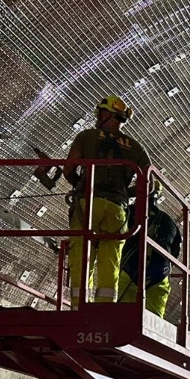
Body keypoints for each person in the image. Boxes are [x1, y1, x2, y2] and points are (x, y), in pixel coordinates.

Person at [64, 96, 151, 304]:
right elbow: (149, 185)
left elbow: (68, 169)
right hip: (116, 208)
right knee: (110, 260)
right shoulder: (136, 148)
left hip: (87, 205)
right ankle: (104, 309)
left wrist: (79, 186)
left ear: (107, 115)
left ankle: (79, 307)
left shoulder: (86, 137)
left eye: (100, 113)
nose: (97, 117)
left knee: (81, 256)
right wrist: (124, 193)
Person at [119, 182, 182, 318]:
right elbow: (175, 254)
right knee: (154, 322)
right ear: (157, 196)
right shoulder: (169, 221)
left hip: (130, 269)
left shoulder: (126, 212)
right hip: (159, 274)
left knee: (123, 316)